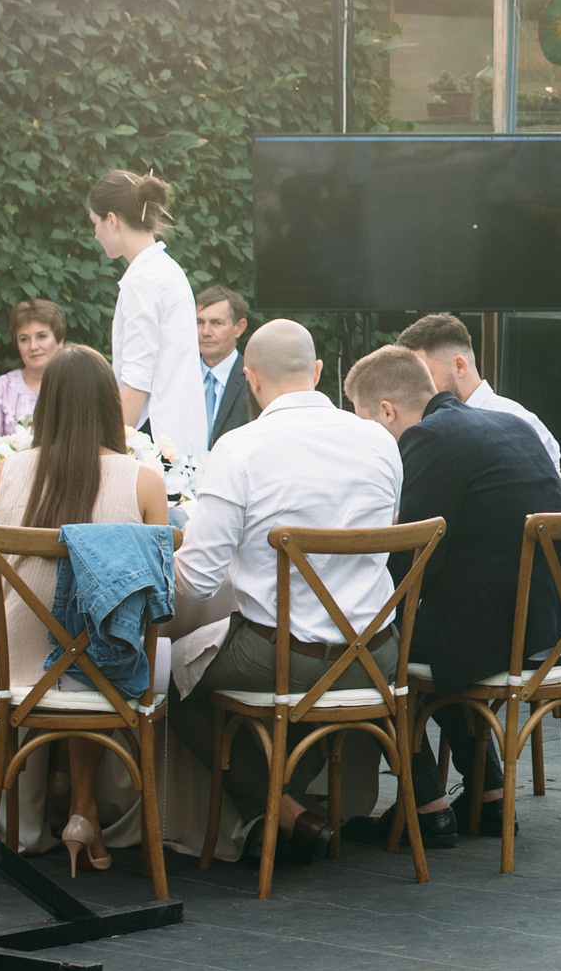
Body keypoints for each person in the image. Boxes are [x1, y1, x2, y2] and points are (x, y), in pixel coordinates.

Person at [171, 320, 401, 866]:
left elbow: (199, 581)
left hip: (285, 661)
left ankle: (280, 811)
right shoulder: (379, 442)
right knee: (275, 679)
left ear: (250, 380)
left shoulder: (239, 449)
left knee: (166, 677)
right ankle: (292, 806)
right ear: (319, 372)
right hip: (380, 655)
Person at [343, 344, 561, 849]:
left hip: (499, 631)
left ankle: (426, 808)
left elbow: (409, 564)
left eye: (362, 421)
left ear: (386, 410)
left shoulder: (427, 439)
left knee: (372, 649)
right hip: (552, 624)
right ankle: (489, 797)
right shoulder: (508, 424)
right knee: (427, 634)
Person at [0, 344, 169, 875]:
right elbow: (160, 595)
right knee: (118, 637)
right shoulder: (142, 480)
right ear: (111, 407)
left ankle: (63, 809)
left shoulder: (7, 474)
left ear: (47, 407)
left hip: (17, 668)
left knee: (76, 638)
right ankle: (87, 810)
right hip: (102, 670)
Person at [89, 170, 210, 458]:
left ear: (112, 220)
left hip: (155, 445)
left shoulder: (143, 279)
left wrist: (108, 456)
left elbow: (136, 380)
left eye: (94, 223)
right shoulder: (167, 270)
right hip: (180, 440)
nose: (94, 234)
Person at [394, 313, 561, 470]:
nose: (415, 389)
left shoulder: (522, 424)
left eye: (425, 376)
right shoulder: (424, 425)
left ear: (459, 366)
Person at [0, 299, 67, 439]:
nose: (33, 346)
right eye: (24, 339)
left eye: (41, 336)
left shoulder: (76, 385)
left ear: (60, 340)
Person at [195, 287, 253, 448]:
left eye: (217, 323)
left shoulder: (254, 381)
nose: (205, 332)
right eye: (199, 322)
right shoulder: (178, 378)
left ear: (239, 328)